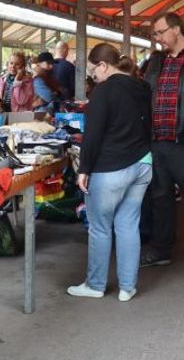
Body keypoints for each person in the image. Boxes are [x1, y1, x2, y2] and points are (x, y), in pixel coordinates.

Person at [67, 43, 153, 302]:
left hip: (111, 167)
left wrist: (84, 169)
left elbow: (93, 134)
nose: (94, 78)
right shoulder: (142, 87)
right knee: (128, 226)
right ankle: (128, 286)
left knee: (100, 228)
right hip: (142, 163)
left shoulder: (104, 92)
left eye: (94, 72)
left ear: (103, 66)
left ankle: (96, 284)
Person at [139, 12, 184, 267]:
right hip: (157, 139)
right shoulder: (155, 61)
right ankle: (162, 248)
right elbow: (145, 92)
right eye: (155, 34)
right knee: (160, 197)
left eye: (160, 32)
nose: (157, 38)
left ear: (177, 30)